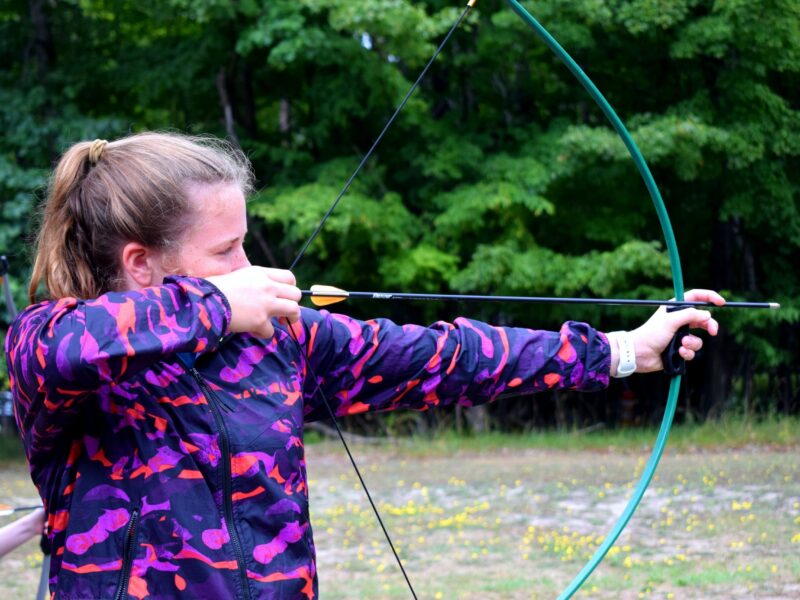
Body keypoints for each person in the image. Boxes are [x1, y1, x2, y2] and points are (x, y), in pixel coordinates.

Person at [4, 132, 722, 599]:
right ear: (140, 265)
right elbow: (66, 346)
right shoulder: (56, 349)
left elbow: (448, 357)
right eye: (225, 252)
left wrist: (628, 351)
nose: (247, 267)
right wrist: (219, 302)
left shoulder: (274, 342)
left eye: (243, 244)